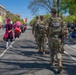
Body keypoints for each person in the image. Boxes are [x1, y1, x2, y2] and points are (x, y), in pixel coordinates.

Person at [47, 7, 65, 73]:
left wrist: (47, 36)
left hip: (51, 38)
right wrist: (63, 37)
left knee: (51, 50)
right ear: (56, 12)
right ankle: (59, 63)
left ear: (52, 12)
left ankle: (52, 62)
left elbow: (46, 29)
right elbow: (64, 29)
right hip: (58, 38)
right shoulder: (60, 20)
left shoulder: (50, 20)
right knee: (58, 51)